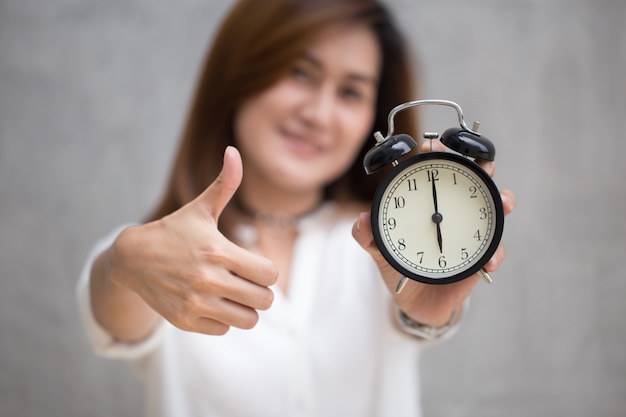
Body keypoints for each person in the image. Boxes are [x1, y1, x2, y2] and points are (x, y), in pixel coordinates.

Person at [76, 0, 516, 416]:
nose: (319, 115)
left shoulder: (385, 240)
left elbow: (420, 314)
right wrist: (124, 264)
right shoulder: (168, 253)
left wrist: (431, 311)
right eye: (301, 73)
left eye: (350, 92)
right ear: (240, 74)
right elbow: (113, 310)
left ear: (372, 115)